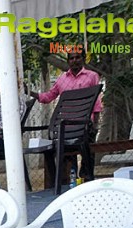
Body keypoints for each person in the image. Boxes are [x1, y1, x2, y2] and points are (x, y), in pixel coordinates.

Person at [34, 51, 102, 182]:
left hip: (85, 123)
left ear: (83, 59)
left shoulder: (92, 76)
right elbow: (49, 96)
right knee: (65, 153)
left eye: (78, 57)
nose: (75, 60)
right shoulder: (62, 79)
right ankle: (70, 180)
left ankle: (87, 177)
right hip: (67, 125)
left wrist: (95, 123)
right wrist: (31, 93)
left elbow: (97, 102)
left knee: (88, 150)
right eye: (71, 58)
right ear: (68, 61)